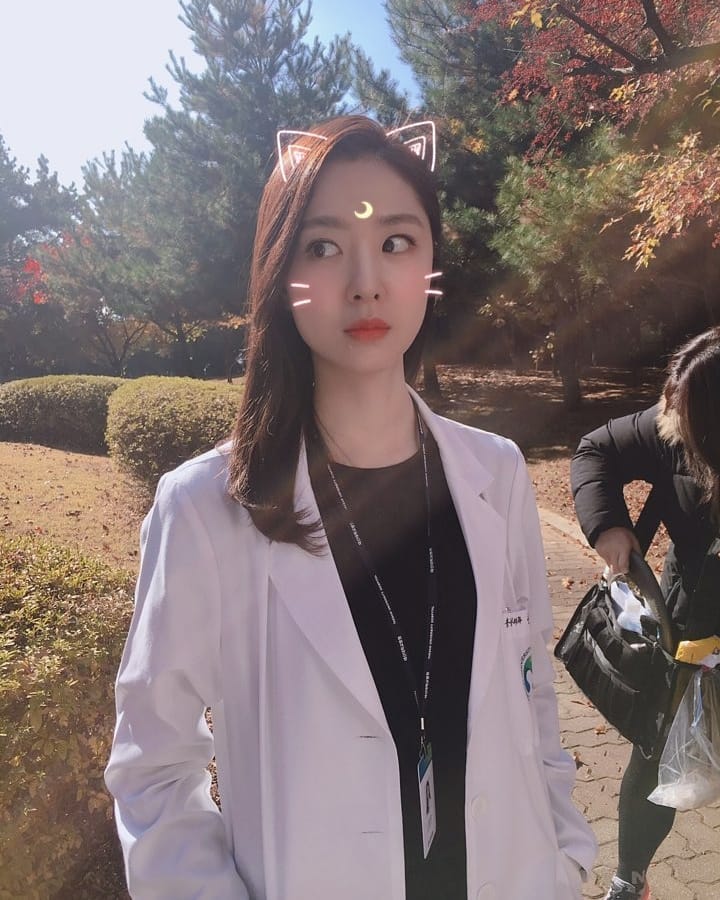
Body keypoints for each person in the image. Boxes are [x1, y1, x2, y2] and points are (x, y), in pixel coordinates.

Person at [105, 115, 596, 899]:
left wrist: (564, 852)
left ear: (431, 265)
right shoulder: (203, 509)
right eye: (324, 247)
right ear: (280, 274)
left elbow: (531, 681)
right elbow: (153, 765)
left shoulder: (495, 473)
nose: (366, 282)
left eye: (397, 242)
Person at [571, 326, 720, 900]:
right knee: (654, 757)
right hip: (687, 623)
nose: (673, 420)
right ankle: (629, 879)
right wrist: (609, 526)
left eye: (688, 416)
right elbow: (595, 450)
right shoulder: (673, 425)